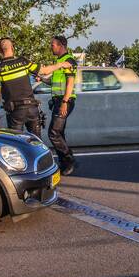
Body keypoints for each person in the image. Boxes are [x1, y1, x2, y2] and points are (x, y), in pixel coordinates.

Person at [0, 37, 67, 136]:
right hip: (32, 108)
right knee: (36, 141)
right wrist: (61, 64)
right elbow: (44, 71)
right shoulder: (23, 61)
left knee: (17, 142)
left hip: (15, 112)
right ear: (13, 48)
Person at [46, 35, 78, 174]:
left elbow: (70, 83)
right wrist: (42, 79)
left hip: (65, 100)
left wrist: (65, 102)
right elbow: (54, 83)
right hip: (58, 100)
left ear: (61, 46)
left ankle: (69, 159)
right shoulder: (59, 61)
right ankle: (64, 163)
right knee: (59, 133)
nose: (50, 47)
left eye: (52, 44)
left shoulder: (68, 60)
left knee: (53, 133)